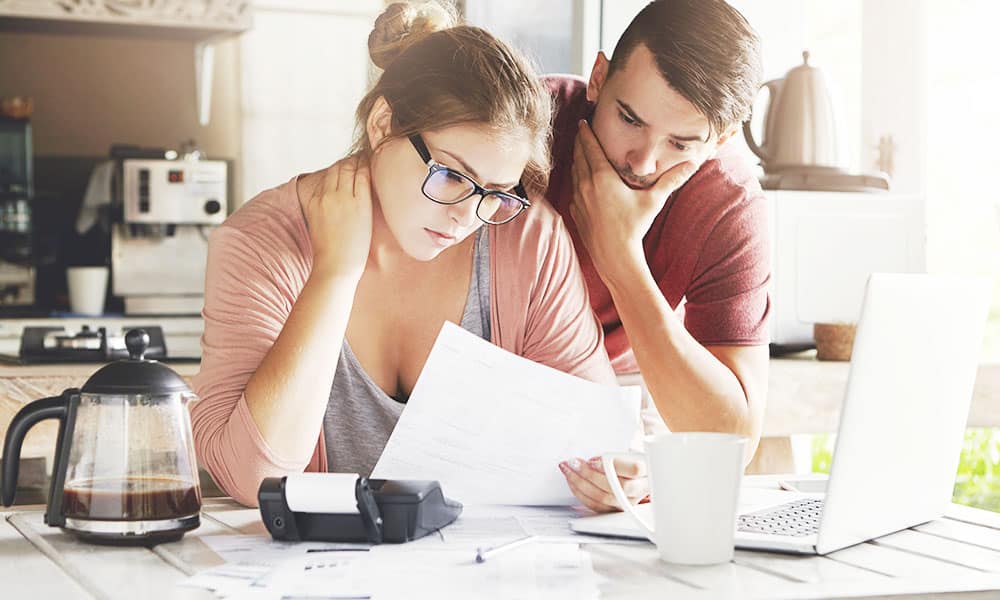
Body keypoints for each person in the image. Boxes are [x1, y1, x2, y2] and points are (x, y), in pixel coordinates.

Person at [190, 2, 637, 508]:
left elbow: (596, 439)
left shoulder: (526, 237)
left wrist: (616, 475)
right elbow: (254, 478)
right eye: (449, 176)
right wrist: (335, 274)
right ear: (383, 124)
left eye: (495, 192)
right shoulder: (261, 242)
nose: (466, 216)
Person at [547, 0, 772, 512]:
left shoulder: (729, 202)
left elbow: (732, 441)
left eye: (680, 143)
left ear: (723, 138)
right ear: (599, 77)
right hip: (483, 362)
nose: (643, 162)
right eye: (630, 118)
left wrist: (620, 257)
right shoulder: (525, 123)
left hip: (626, 382)